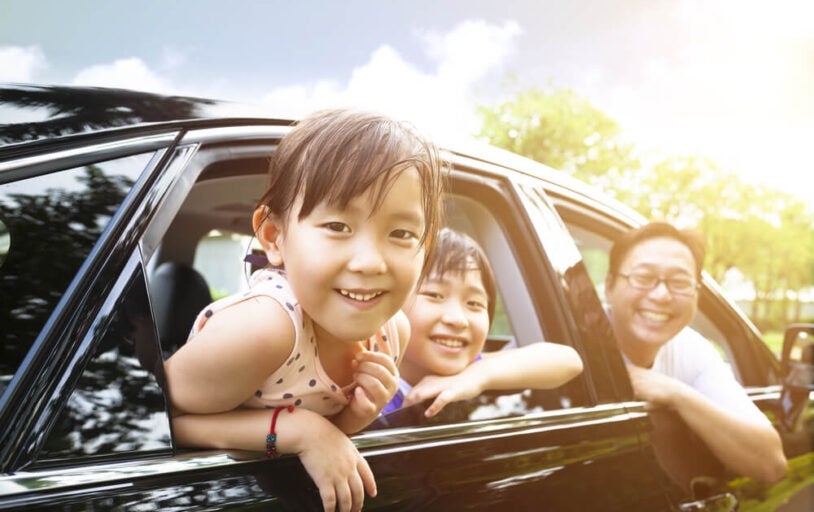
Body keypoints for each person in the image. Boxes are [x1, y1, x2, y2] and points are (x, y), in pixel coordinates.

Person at [163, 108, 445, 512]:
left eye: (402, 233)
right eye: (337, 227)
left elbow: (330, 439)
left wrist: (355, 418)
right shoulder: (264, 329)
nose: (370, 262)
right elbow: (156, 421)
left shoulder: (390, 332)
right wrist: (298, 431)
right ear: (274, 237)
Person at [604, 221, 787, 483]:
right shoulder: (571, 343)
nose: (661, 295)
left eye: (679, 282)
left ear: (696, 294)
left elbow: (770, 464)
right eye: (643, 278)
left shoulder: (690, 348)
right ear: (609, 287)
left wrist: (677, 394)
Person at [383, 228, 584, 418]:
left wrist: (478, 376)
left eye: (474, 303)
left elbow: (569, 360)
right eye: (434, 295)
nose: (458, 319)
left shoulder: (471, 369)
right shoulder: (367, 391)